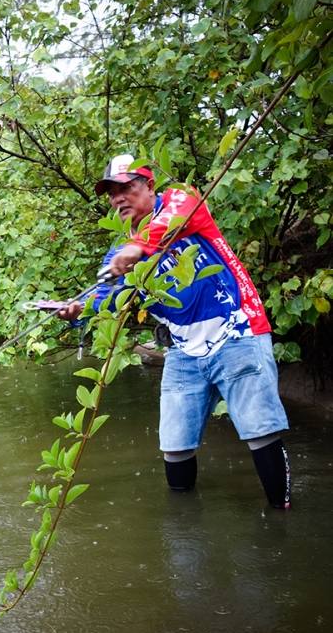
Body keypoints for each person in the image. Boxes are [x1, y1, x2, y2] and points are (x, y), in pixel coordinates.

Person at [58, 154, 291, 509]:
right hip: (183, 350)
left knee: (261, 432)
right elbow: (104, 302)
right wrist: (77, 313)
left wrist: (137, 249)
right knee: (175, 446)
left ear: (149, 185)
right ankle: (184, 529)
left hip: (238, 331)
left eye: (126, 187)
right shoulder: (118, 255)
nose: (118, 198)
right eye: (111, 192)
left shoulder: (181, 199)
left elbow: (170, 220)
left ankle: (282, 515)